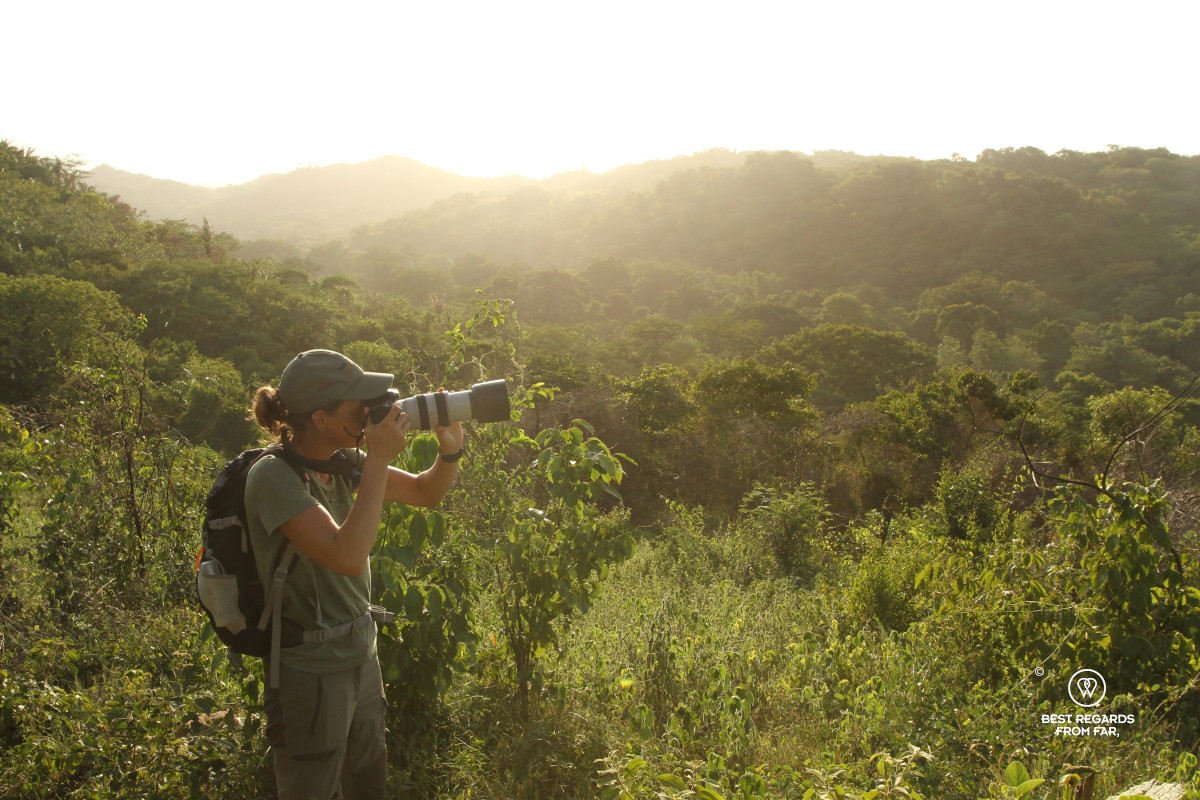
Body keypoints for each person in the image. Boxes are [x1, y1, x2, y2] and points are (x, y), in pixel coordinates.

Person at [247, 349, 463, 800]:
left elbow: (426, 492)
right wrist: (379, 458)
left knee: (368, 782)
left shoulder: (344, 459)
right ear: (320, 418)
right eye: (357, 404)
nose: (369, 412)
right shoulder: (273, 477)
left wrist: (451, 448)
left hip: (361, 657)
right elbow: (346, 555)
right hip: (310, 671)